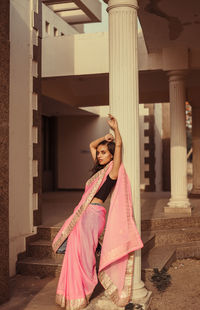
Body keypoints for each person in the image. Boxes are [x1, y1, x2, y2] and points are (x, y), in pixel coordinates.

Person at [52, 114, 143, 310]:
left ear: (111, 156)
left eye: (104, 153)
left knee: (84, 255)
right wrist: (104, 137)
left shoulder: (112, 172)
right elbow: (92, 145)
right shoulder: (97, 171)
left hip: (93, 216)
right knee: (74, 254)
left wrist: (115, 130)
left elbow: (118, 147)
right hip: (82, 215)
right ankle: (71, 296)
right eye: (100, 153)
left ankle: (82, 293)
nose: (100, 155)